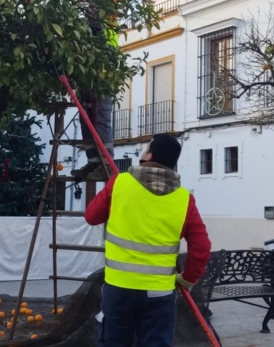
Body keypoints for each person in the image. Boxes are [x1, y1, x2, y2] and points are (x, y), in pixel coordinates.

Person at [85, 133, 211, 347]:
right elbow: (202, 247)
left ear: (148, 155)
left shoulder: (120, 183)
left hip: (119, 288)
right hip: (159, 293)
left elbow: (91, 216)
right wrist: (187, 280)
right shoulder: (184, 199)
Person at [72, 27, 119, 181]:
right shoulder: (83, 22)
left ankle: (106, 162)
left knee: (101, 120)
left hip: (102, 80)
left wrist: (97, 30)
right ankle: (93, 161)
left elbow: (110, 50)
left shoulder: (107, 23)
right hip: (86, 80)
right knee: (85, 122)